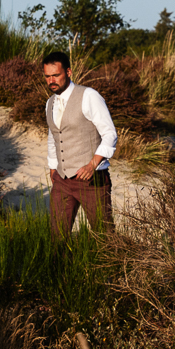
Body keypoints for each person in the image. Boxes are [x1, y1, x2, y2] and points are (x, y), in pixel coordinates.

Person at [42, 51, 118, 236]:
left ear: (68, 72)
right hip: (62, 180)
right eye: (47, 76)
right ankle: (60, 265)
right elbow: (54, 136)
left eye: (56, 75)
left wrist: (92, 164)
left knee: (104, 235)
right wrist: (53, 167)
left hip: (92, 181)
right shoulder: (50, 103)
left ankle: (114, 265)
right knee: (57, 235)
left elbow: (110, 134)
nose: (52, 80)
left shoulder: (89, 96)